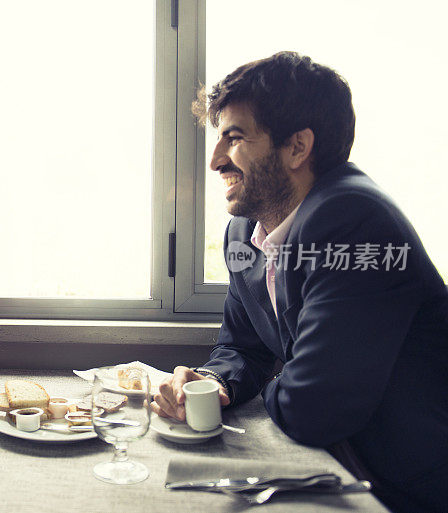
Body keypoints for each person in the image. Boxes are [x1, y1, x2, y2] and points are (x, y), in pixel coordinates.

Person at [151, 52, 448, 513]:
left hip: (407, 486)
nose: (215, 161)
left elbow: (313, 410)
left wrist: (283, 381)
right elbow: (244, 347)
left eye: (234, 137)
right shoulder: (245, 233)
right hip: (335, 468)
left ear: (297, 147)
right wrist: (213, 383)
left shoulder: (352, 220)